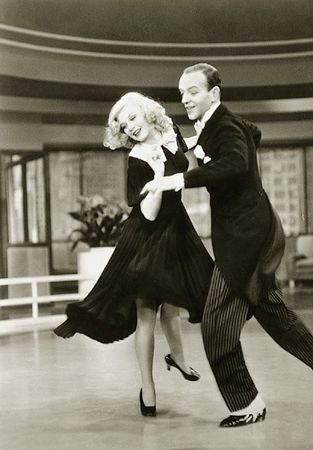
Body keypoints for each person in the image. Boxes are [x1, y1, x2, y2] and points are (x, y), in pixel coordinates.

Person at [141, 63, 313, 427]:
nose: (185, 98)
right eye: (182, 92)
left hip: (247, 237)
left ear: (214, 94)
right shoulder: (220, 125)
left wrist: (179, 180)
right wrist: (198, 147)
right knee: (270, 309)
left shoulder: (223, 125)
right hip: (258, 230)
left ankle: (246, 403)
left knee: (216, 321)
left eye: (193, 91)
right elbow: (255, 131)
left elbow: (234, 162)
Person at [54, 92, 214, 417]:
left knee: (172, 305)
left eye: (132, 118)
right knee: (147, 314)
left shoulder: (170, 131)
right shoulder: (138, 159)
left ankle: (179, 358)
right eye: (123, 125)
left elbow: (186, 162)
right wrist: (157, 178)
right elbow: (150, 214)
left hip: (177, 230)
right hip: (146, 237)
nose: (130, 127)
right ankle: (148, 387)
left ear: (146, 112)